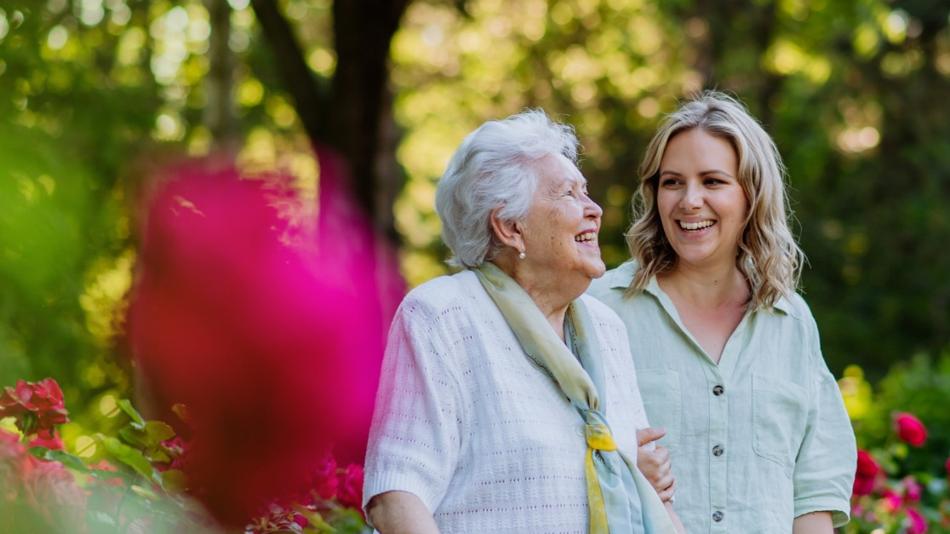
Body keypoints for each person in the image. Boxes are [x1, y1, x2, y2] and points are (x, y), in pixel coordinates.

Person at [362, 110, 684, 534]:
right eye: (570, 194)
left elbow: (650, 498)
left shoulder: (605, 328)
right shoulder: (443, 316)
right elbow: (396, 495)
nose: (595, 210)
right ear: (511, 227)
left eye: (587, 193)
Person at [588, 91, 857, 533]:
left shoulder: (790, 322)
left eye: (713, 181)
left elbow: (813, 495)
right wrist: (620, 462)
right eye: (672, 182)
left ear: (751, 195)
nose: (690, 200)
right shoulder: (603, 311)